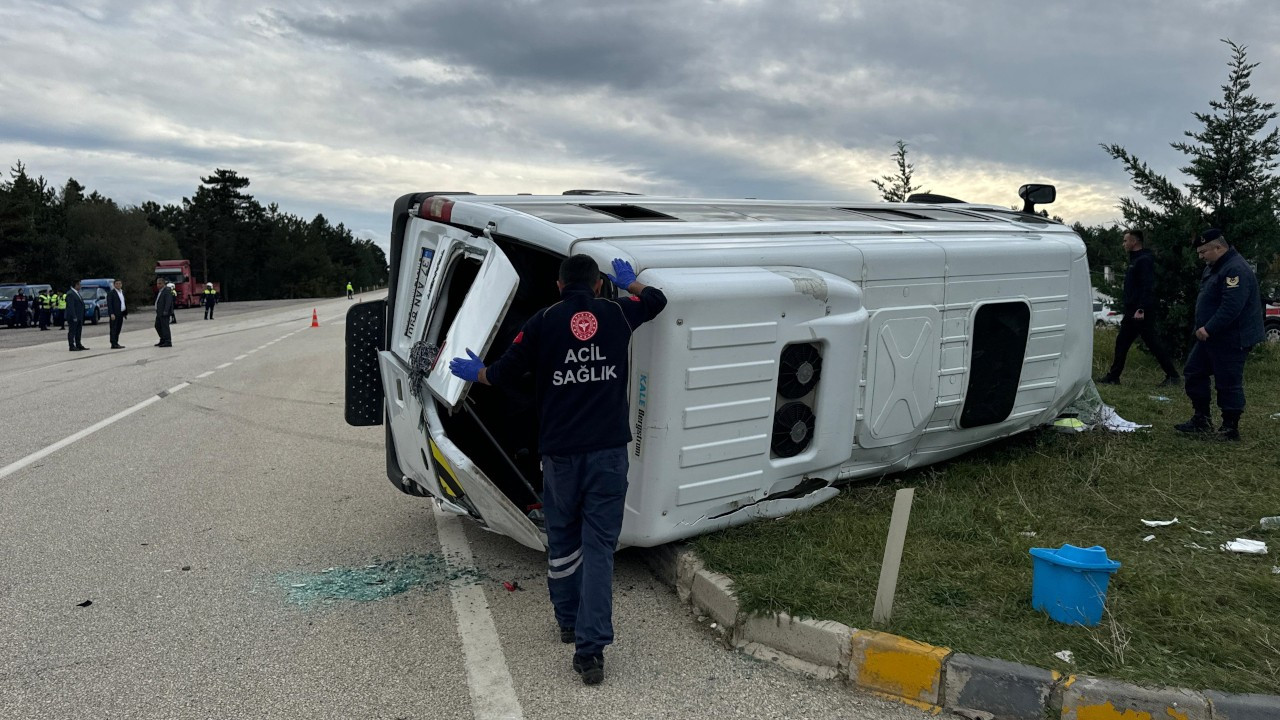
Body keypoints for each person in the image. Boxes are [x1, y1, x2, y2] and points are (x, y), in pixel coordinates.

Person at [448, 255, 667, 686]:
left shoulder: (542, 321)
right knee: (600, 548)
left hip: (561, 455)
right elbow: (657, 301)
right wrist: (632, 283)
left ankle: (567, 622)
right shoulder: (619, 313)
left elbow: (504, 374)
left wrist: (479, 372)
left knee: (563, 539)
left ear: (559, 284)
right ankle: (590, 654)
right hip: (608, 454)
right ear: (600, 286)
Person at [1175, 229, 1265, 441]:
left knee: (1228, 381)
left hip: (1231, 337)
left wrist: (1209, 328)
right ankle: (1201, 419)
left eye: (1204, 251)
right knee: (1194, 372)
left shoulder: (1235, 269)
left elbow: (1231, 306)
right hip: (1210, 338)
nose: (1201, 256)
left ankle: (1230, 428)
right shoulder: (1215, 267)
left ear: (1218, 247)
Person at [1097, 229, 1181, 386]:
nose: (1123, 244)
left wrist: (1141, 308)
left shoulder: (1144, 260)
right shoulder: (1134, 260)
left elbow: (1147, 286)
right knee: (1123, 342)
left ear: (1134, 242)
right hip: (1132, 310)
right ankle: (1114, 376)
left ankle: (1173, 376)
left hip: (1140, 311)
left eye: (1125, 241)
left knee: (1152, 343)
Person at [65, 281, 87, 351]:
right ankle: (71, 345)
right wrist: (74, 316)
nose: (80, 286)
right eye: (79, 285)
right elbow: (71, 307)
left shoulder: (77, 293)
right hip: (73, 316)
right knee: (72, 331)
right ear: (76, 285)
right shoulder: (70, 294)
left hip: (79, 316)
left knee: (78, 331)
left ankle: (78, 344)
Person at [108, 279, 128, 349]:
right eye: (117, 284)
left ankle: (116, 342)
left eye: (120, 283)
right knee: (114, 328)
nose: (118, 285)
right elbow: (109, 304)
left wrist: (125, 313)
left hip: (121, 313)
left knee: (118, 328)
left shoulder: (122, 292)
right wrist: (111, 313)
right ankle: (113, 343)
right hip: (114, 314)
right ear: (114, 285)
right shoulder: (111, 293)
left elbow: (123, 302)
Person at [154, 282, 175, 347]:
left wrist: (166, 310)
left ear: (163, 284)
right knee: (157, 326)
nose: (158, 285)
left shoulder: (167, 291)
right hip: (159, 312)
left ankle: (168, 341)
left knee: (165, 327)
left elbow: (168, 302)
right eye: (157, 283)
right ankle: (163, 339)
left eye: (160, 283)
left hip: (164, 312)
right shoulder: (160, 291)